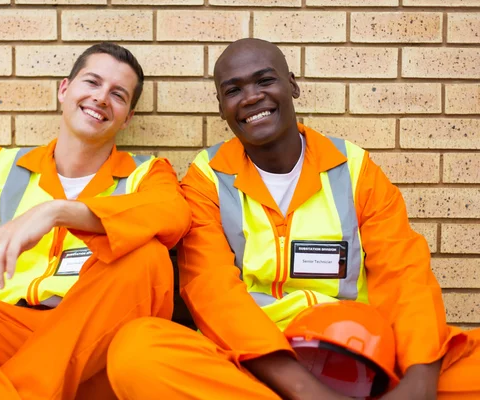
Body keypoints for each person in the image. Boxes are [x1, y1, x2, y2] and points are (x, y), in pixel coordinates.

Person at [106, 38, 480, 399]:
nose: (251, 97)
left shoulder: (353, 169)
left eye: (264, 80)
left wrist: (418, 378)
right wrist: (307, 391)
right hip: (254, 365)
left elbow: (405, 275)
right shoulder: (207, 179)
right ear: (221, 108)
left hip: (360, 357)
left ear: (293, 85)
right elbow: (212, 290)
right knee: (137, 352)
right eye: (234, 90)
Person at [0, 42, 191, 399]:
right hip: (0, 333)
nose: (101, 98)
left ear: (128, 117)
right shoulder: (1, 169)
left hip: (91, 348)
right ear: (64, 89)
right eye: (92, 82)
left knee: (148, 257)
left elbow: (173, 213)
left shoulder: (147, 174)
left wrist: (56, 212)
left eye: (118, 95)